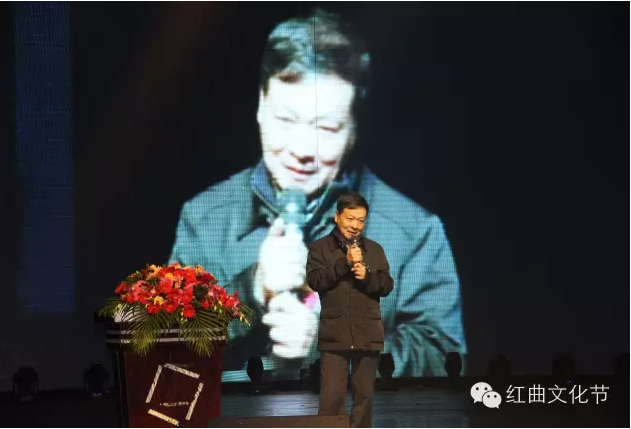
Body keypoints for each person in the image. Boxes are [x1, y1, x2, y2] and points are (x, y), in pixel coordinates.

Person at [168, 7, 466, 381]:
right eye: (286, 120)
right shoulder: (204, 218)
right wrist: (251, 289)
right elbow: (168, 356)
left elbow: (444, 359)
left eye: (326, 128)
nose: (302, 149)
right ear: (260, 106)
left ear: (354, 129)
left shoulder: (413, 232)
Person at [307, 192, 392, 428]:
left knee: (364, 399)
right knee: (331, 400)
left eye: (361, 220)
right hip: (335, 334)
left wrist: (368, 277)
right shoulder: (319, 248)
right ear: (337, 217)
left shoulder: (374, 250)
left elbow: (386, 285)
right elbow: (315, 281)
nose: (355, 225)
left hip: (368, 333)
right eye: (350, 218)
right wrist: (345, 262)